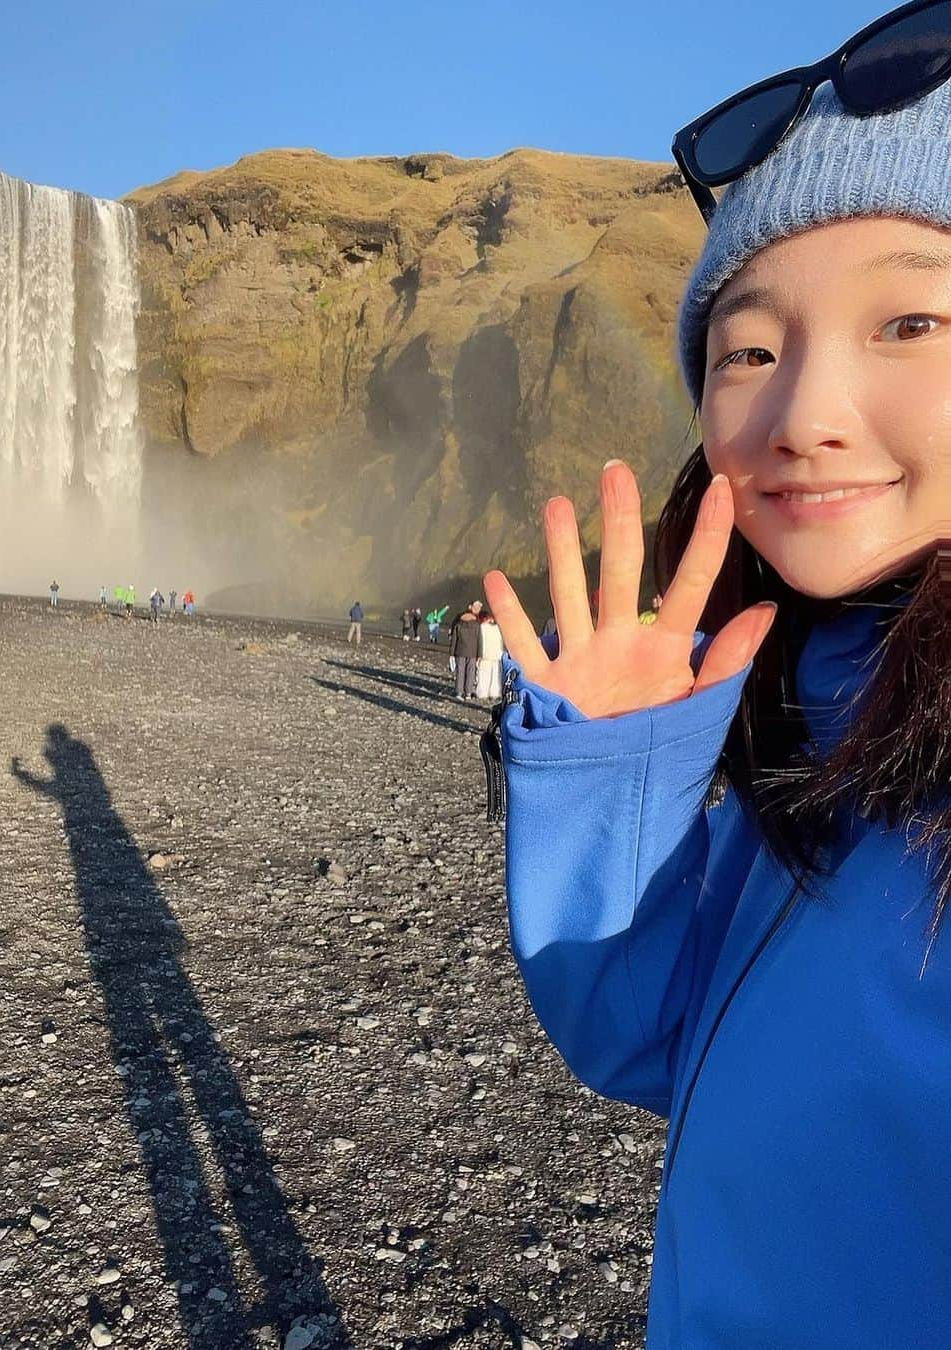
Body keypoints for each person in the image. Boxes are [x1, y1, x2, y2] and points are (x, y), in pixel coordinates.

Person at [483, 11, 951, 1347]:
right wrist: (609, 783)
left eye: (911, 318)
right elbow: (646, 1032)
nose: (801, 410)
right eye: (748, 348)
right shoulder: (814, 680)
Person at [448, 603, 481, 701]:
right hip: (472, 652)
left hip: (460, 651)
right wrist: (479, 654)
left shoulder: (458, 624)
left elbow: (454, 640)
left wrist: (451, 653)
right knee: (471, 673)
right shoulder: (477, 625)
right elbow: (480, 640)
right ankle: (468, 693)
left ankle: (459, 692)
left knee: (460, 672)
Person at [475, 610, 504, 701]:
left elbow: (480, 642)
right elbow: (502, 643)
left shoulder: (482, 627)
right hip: (497, 654)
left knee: (483, 674)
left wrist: (478, 655)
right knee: (496, 675)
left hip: (485, 654)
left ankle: (482, 693)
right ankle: (495, 692)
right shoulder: (499, 628)